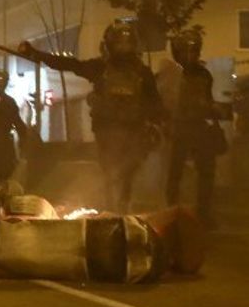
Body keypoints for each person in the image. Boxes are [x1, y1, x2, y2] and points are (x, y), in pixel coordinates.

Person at [16, 18, 164, 214]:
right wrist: (36, 54)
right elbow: (68, 64)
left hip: (125, 133)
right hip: (114, 133)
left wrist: (36, 53)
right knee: (117, 176)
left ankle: (117, 209)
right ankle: (117, 209)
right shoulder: (116, 70)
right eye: (120, 43)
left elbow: (69, 64)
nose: (122, 47)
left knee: (118, 176)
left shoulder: (127, 71)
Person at [159, 30, 227, 228]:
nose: (190, 56)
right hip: (178, 128)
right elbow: (163, 101)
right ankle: (171, 212)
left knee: (206, 172)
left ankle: (203, 212)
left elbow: (207, 98)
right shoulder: (170, 73)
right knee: (174, 173)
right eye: (185, 51)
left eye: (193, 51)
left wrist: (212, 108)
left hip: (199, 128)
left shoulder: (203, 74)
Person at [0, 68, 29, 185]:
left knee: (2, 174)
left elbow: (18, 123)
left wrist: (24, 137)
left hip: (2, 144)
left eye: (2, 79)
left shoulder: (9, 102)